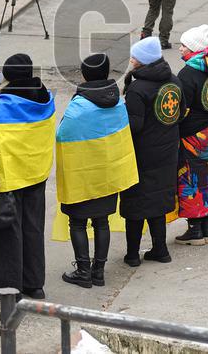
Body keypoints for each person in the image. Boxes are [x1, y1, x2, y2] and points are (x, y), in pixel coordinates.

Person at [0, 54, 55, 300]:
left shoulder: (1, 108)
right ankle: (34, 284)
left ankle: (8, 287)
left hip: (9, 179)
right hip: (36, 173)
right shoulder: (45, 99)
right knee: (33, 229)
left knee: (7, 234)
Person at [56, 54, 137, 287]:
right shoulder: (118, 101)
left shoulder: (79, 105)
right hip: (107, 173)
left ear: (84, 75)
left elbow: (62, 134)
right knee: (102, 222)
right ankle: (99, 272)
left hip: (82, 174)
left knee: (78, 223)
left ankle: (83, 271)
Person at [118, 37, 183, 266]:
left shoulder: (138, 89)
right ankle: (160, 250)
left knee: (136, 204)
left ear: (144, 61)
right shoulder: (174, 81)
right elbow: (180, 112)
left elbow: (134, 126)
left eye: (134, 56)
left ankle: (132, 255)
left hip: (142, 154)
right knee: (158, 200)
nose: (131, 59)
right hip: (167, 151)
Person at [174, 26, 208, 246]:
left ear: (193, 49)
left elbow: (181, 108)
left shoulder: (187, 74)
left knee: (191, 178)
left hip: (192, 134)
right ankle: (206, 228)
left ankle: (195, 230)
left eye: (183, 45)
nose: (180, 48)